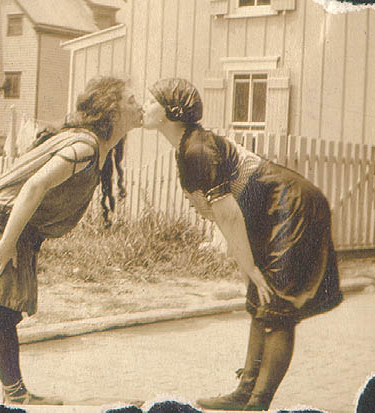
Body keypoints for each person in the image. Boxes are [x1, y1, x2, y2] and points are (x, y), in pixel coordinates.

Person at [142, 78, 343, 411]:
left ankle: (258, 403)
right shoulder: (188, 145)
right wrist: (249, 267)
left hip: (292, 206)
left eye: (152, 100)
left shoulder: (197, 149)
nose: (144, 105)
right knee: (259, 298)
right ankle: (245, 392)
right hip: (270, 209)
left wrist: (249, 266)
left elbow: (229, 216)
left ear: (171, 112)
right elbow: (227, 214)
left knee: (277, 306)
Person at [0, 75, 142, 406]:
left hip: (8, 222)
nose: (138, 105)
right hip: (2, 222)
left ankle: (14, 392)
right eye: (130, 100)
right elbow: (33, 187)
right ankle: (16, 395)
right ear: (112, 113)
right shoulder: (84, 147)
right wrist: (7, 242)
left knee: (5, 309)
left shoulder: (94, 145)